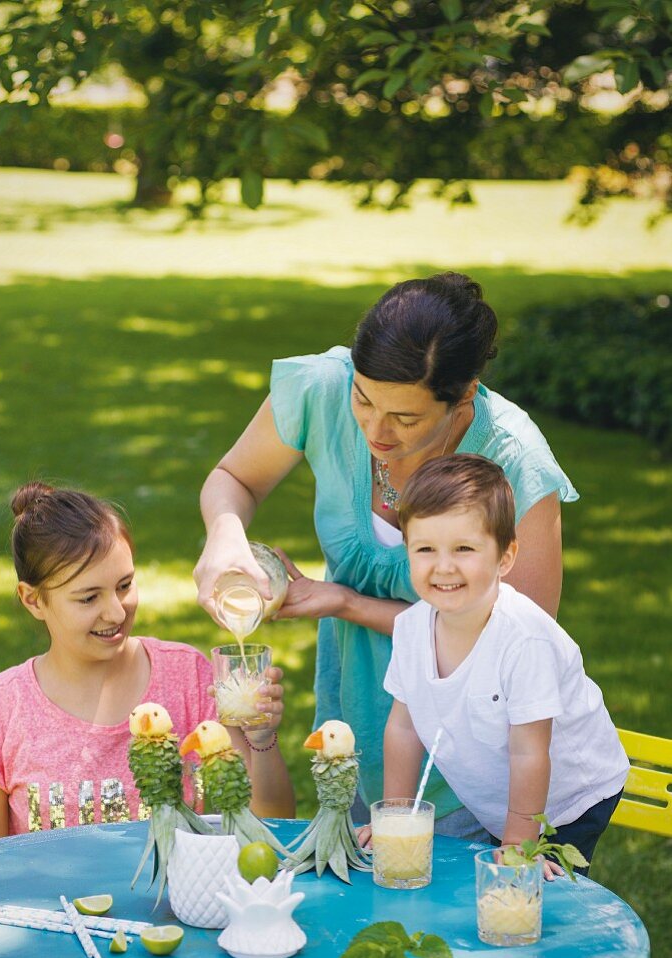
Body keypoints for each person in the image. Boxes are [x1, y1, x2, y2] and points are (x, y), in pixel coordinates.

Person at [0, 482, 295, 958]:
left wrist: (260, 739)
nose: (116, 611)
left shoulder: (190, 677)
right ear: (33, 601)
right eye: (88, 596)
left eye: (125, 585)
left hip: (194, 950)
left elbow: (268, 827)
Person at [194, 273, 578, 828]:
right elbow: (235, 478)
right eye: (364, 399)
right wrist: (225, 536)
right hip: (359, 720)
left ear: (464, 394)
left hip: (481, 755)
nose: (375, 429)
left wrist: (346, 603)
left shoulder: (515, 462)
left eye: (406, 417)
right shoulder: (324, 388)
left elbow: (508, 644)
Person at [364, 453, 628, 958]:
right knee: (494, 900)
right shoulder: (410, 629)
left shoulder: (523, 638)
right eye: (424, 550)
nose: (443, 567)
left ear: (505, 557)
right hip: (498, 784)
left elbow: (529, 749)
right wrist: (397, 816)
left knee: (547, 893)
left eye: (464, 549)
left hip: (569, 789)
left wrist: (519, 845)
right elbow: (402, 727)